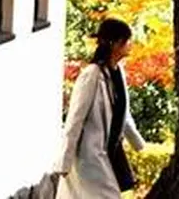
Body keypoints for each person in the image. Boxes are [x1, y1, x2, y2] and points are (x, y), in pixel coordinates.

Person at [55, 17, 145, 197]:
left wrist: (139, 144)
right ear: (116, 43)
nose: (130, 44)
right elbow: (75, 119)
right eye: (127, 40)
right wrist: (64, 162)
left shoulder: (119, 72)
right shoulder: (92, 75)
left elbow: (123, 114)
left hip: (110, 151)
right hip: (89, 154)